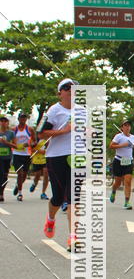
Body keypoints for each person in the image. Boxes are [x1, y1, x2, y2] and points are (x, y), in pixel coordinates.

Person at [39, 79, 75, 250]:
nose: (70, 90)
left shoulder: (83, 111)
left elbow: (90, 131)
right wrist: (64, 131)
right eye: (66, 88)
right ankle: (51, 219)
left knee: (73, 198)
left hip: (77, 157)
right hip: (56, 157)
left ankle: (73, 237)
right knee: (58, 197)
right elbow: (41, 133)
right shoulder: (54, 110)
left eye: (74, 87)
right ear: (60, 93)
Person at [109, 119, 134, 209]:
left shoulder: (133, 137)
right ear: (122, 127)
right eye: (125, 125)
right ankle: (113, 190)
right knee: (118, 182)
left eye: (129, 126)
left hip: (128, 161)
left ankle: (127, 202)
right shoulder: (118, 136)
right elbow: (111, 146)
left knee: (128, 181)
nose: (127, 127)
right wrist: (122, 145)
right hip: (118, 161)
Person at [12, 112, 35, 202]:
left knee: (24, 175)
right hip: (17, 154)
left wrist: (31, 144)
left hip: (27, 154)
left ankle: (18, 185)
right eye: (21, 118)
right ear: (18, 119)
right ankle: (20, 194)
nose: (23, 119)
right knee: (20, 173)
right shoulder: (14, 129)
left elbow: (34, 141)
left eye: (24, 118)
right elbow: (11, 141)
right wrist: (18, 145)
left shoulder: (30, 129)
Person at [0, 116, 15, 202]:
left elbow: (16, 145)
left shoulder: (11, 133)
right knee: (0, 174)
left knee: (4, 176)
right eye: (1, 121)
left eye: (5, 121)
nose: (3, 123)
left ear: (7, 123)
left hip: (7, 157)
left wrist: (6, 143)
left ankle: (2, 192)